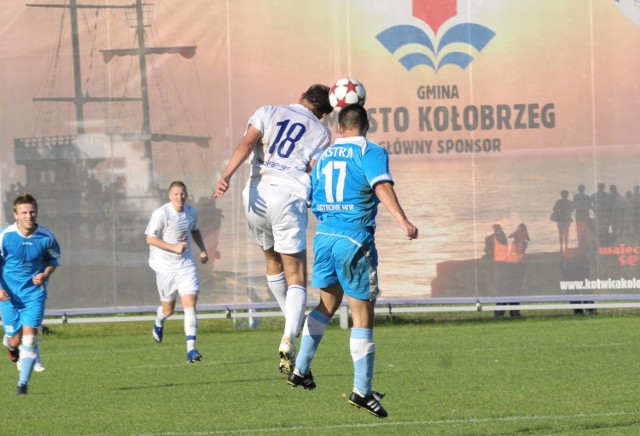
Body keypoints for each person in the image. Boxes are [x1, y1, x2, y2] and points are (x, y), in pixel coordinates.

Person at [286, 104, 418, 419]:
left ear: (339, 127)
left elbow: (312, 198)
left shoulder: (322, 159)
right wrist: (403, 221)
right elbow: (381, 186)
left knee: (326, 305)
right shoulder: (370, 152)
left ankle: (301, 369)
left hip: (324, 239)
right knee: (362, 316)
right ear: (366, 124)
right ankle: (361, 390)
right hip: (354, 241)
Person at [213, 84, 334, 374]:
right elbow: (313, 171)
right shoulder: (321, 132)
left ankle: (289, 322)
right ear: (324, 113)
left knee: (271, 260)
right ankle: (289, 335)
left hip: (255, 195)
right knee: (297, 276)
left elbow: (245, 144)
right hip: (288, 199)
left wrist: (226, 176)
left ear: (302, 96)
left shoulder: (267, 111)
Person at [0, 193, 61, 395]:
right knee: (14, 340)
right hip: (8, 296)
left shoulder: (46, 237)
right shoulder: (5, 236)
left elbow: (53, 261)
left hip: (33, 295)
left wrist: (44, 275)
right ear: (15, 214)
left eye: (32, 211)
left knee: (30, 338)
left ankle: (22, 385)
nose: (29, 216)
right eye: (24, 212)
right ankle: (10, 347)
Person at [145, 181, 208, 363]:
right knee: (168, 310)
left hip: (186, 265)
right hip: (165, 268)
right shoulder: (161, 214)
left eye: (182, 194)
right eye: (175, 194)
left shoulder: (191, 212)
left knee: (190, 304)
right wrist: (174, 247)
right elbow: (150, 239)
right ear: (169, 196)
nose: (179, 197)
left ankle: (191, 350)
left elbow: (194, 231)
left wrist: (202, 250)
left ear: (186, 194)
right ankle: (159, 320)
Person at [572, 184, 592, 250]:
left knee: (578, 229)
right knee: (586, 229)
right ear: (584, 189)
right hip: (585, 213)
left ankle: (579, 244)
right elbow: (589, 206)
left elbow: (574, 205)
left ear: (578, 189)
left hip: (578, 213)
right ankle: (587, 244)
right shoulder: (587, 196)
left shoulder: (576, 196)